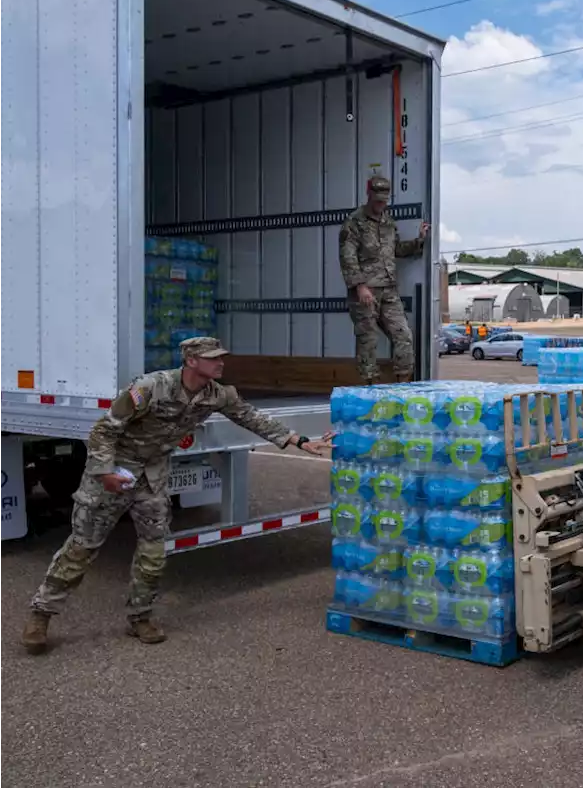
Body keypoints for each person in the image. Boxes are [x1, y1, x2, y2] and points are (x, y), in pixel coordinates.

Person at [21, 337, 334, 653]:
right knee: (81, 548)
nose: (221, 362)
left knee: (154, 552)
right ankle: (41, 615)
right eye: (213, 358)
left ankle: (140, 617)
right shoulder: (150, 388)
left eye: (221, 357)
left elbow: (252, 418)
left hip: (153, 478)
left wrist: (299, 440)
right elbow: (104, 430)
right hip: (115, 472)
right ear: (191, 361)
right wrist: (104, 472)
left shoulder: (218, 394)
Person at [339, 174, 430, 385]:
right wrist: (360, 286)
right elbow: (347, 257)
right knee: (368, 341)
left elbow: (395, 249)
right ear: (368, 193)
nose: (381, 203)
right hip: (365, 292)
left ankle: (402, 387)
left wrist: (419, 241)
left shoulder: (389, 222)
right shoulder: (354, 223)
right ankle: (369, 389)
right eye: (377, 198)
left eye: (384, 199)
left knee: (404, 336)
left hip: (389, 290)